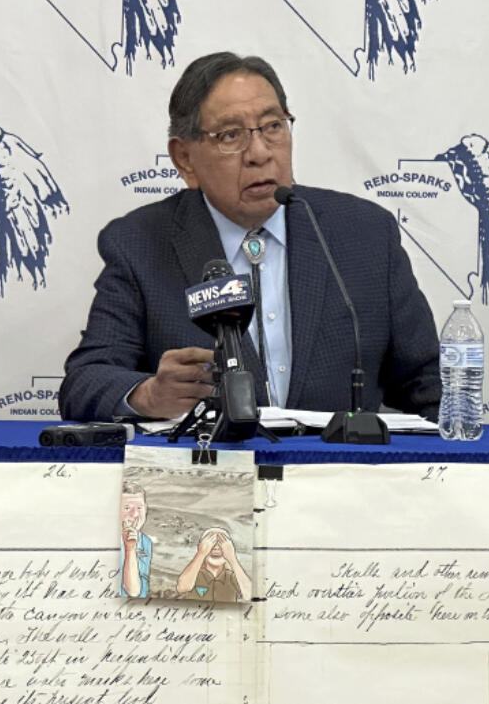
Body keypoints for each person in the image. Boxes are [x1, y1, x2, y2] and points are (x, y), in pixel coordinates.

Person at [59, 51, 440, 421]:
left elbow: (429, 385)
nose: (259, 153)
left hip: (336, 476)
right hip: (209, 476)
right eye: (230, 135)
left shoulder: (364, 234)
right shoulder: (140, 243)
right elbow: (86, 382)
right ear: (185, 160)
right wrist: (149, 394)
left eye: (273, 126)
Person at [176, 527, 251, 602]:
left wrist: (232, 558)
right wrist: (201, 554)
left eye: (221, 544)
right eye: (211, 544)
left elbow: (249, 595)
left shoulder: (231, 577)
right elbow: (182, 587)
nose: (216, 548)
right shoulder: (194, 574)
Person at [119, 482, 152, 597]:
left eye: (139, 508)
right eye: (127, 508)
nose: (135, 514)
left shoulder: (145, 541)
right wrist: (129, 549)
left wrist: (130, 548)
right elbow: (131, 591)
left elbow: (137, 592)